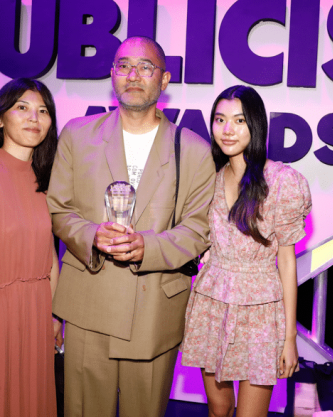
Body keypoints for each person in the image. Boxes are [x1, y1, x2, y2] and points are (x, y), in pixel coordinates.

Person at [47, 36, 216, 417]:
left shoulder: (192, 148)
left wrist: (148, 248)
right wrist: (91, 235)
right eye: (124, 66)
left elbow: (200, 227)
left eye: (145, 67)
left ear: (165, 79)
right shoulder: (78, 134)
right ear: (112, 75)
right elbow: (59, 208)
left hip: (154, 308)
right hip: (90, 303)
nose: (133, 75)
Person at [181, 85, 312, 417]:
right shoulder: (206, 176)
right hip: (212, 302)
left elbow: (286, 261)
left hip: (261, 313)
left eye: (239, 120)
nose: (227, 130)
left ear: (255, 125)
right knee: (218, 408)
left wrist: (289, 339)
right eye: (220, 119)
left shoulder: (282, 181)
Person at [0, 78, 62, 416]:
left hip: (36, 315)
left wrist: (54, 314)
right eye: (21, 108)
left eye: (42, 111)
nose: (33, 118)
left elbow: (48, 255)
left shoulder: (49, 180)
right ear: (0, 118)